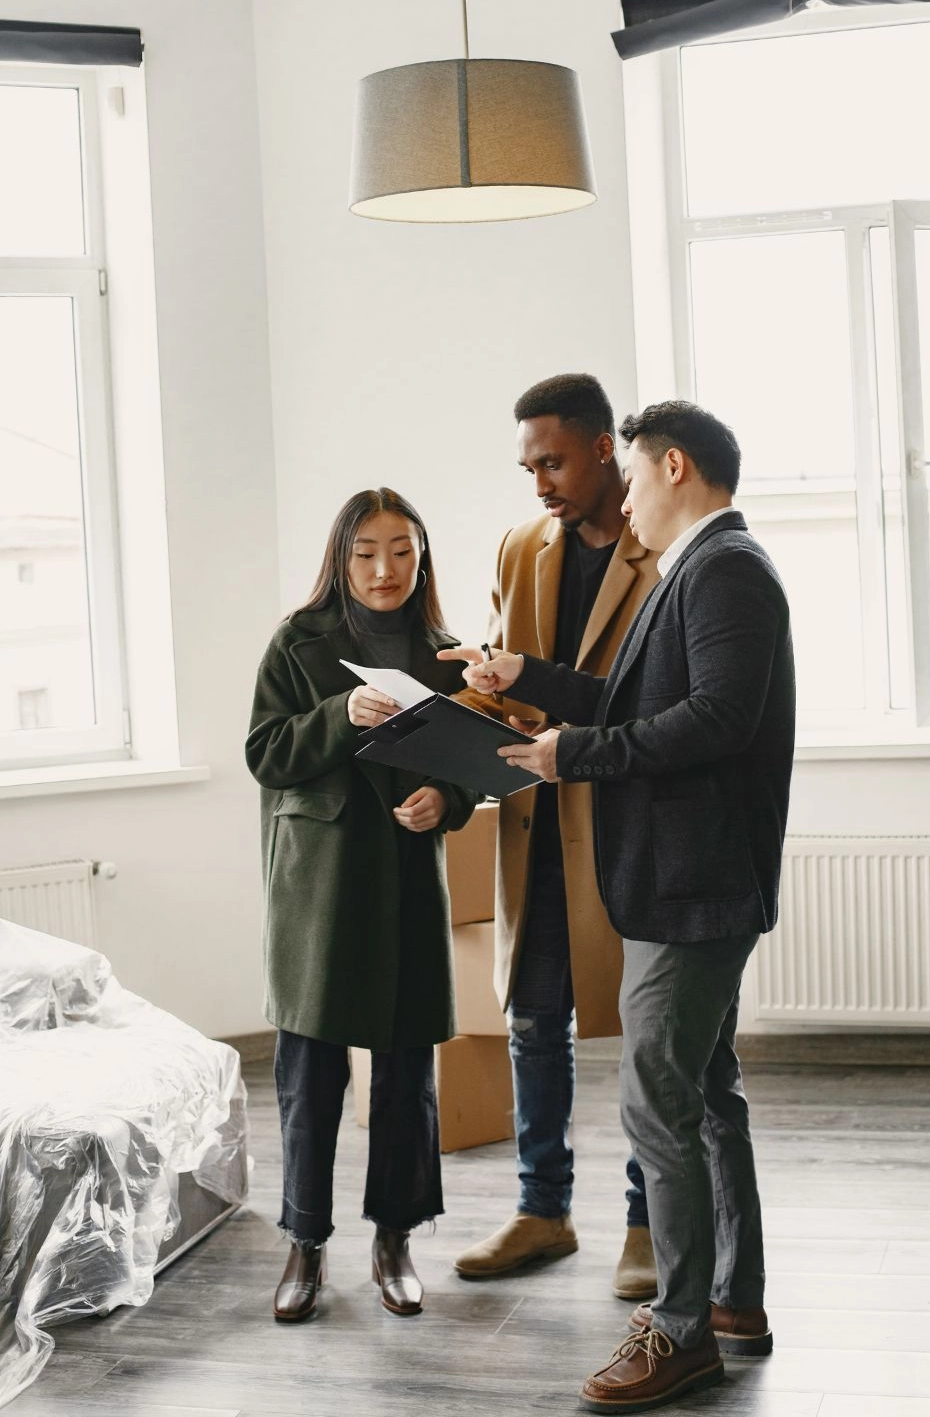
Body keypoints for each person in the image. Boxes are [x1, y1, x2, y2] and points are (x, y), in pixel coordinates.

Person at [443, 401, 795, 1413]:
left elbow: (715, 721)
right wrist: (528, 678)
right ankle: (731, 1302)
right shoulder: (699, 566)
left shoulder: (723, 567)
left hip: (695, 889)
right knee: (706, 1091)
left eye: (633, 479)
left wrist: (574, 757)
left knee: (657, 1098)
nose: (625, 498)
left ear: (673, 466)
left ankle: (680, 1332)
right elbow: (639, 698)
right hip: (688, 882)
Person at [450, 373, 662, 1299]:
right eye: (529, 465)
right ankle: (544, 1212)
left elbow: (650, 702)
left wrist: (528, 678)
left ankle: (650, 1221)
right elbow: (508, 682)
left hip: (629, 825)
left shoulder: (666, 549)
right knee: (536, 1022)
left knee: (648, 1036)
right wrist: (447, 712)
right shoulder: (521, 545)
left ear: (606, 447)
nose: (540, 482)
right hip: (536, 824)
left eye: (555, 461)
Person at [246, 488, 480, 1323]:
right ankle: (304, 1244)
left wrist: (444, 804)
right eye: (367, 553)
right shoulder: (299, 642)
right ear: (341, 558)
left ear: (423, 557)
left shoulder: (449, 653)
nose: (386, 570)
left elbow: (467, 770)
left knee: (408, 1072)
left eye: (403, 551)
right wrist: (340, 713)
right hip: (319, 888)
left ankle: (396, 1239)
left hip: (409, 885)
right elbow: (266, 754)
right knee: (309, 1075)